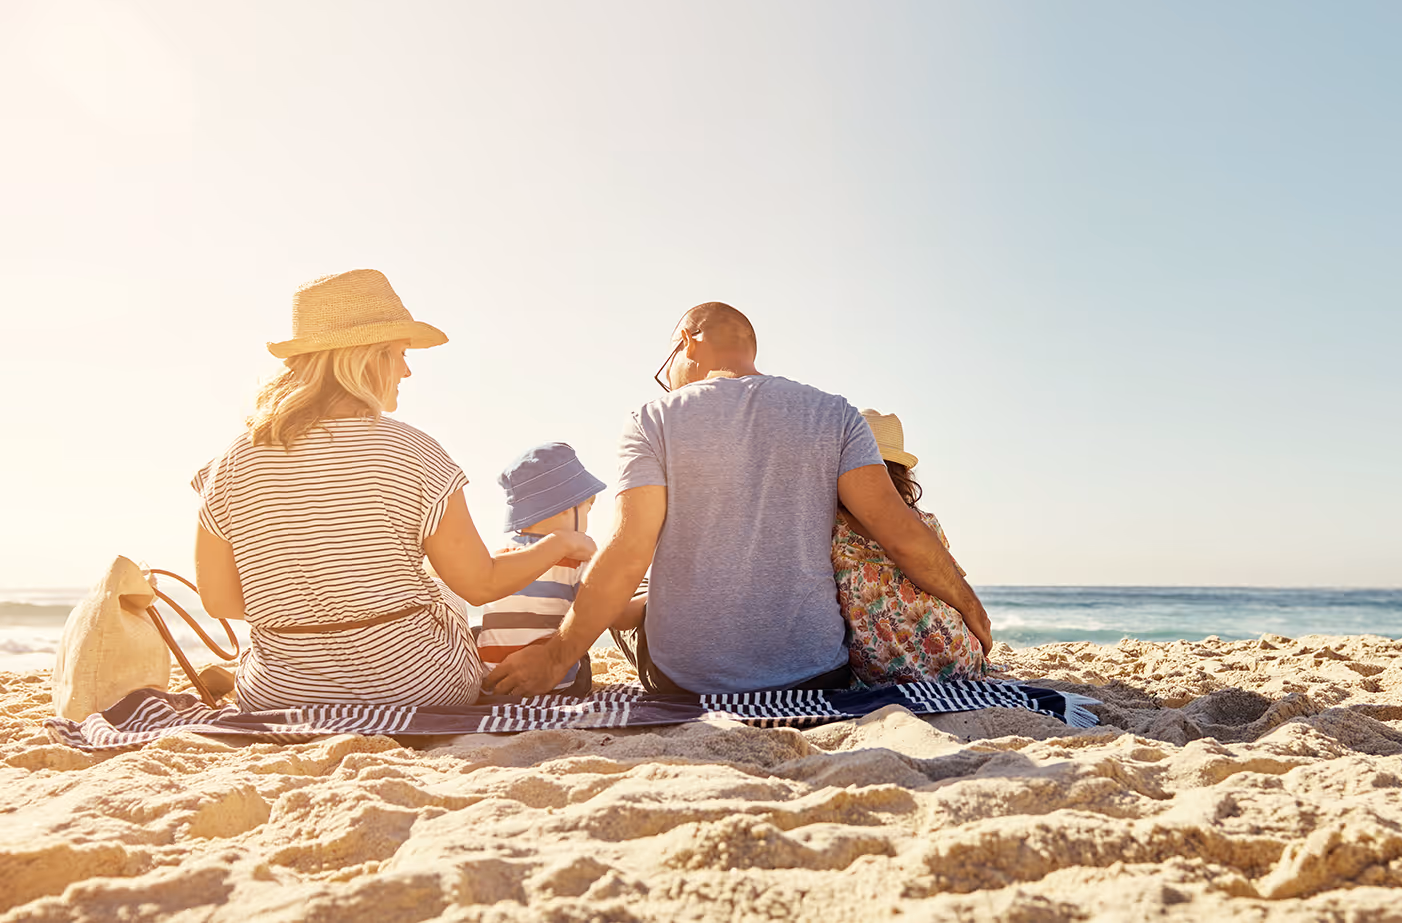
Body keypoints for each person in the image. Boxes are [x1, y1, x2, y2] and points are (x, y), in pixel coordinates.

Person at [485, 302, 992, 697]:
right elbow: (899, 531)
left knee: (631, 595)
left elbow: (629, 548)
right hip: (816, 677)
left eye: (668, 367)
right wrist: (970, 605)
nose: (667, 383)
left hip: (685, 681)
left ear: (687, 340)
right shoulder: (834, 414)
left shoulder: (653, 419)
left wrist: (555, 656)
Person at [193, 269, 595, 710]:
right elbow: (481, 585)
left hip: (282, 695)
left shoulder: (230, 461)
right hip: (420, 687)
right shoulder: (413, 449)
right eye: (401, 354)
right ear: (370, 356)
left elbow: (220, 600)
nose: (407, 369)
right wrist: (560, 542)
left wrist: (318, 603)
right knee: (438, 586)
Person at [833, 410, 988, 685]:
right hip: (955, 658)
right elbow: (950, 580)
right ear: (902, 472)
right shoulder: (924, 524)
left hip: (876, 668)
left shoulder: (833, 529)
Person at [474, 443, 607, 696]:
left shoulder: (502, 555)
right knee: (582, 651)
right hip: (556, 686)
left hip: (495, 681)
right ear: (569, 507)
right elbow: (603, 611)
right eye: (587, 508)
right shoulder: (576, 561)